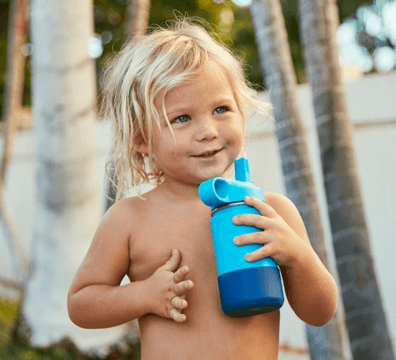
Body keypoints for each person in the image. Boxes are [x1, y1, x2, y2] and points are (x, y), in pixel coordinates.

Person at [67, 19, 338, 360]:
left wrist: (297, 255)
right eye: (181, 118)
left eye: (221, 109)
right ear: (141, 139)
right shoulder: (130, 218)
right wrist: (145, 295)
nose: (208, 130)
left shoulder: (271, 212)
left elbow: (321, 312)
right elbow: (81, 303)